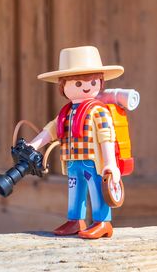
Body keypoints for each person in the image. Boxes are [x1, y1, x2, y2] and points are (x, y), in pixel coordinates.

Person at [28, 46, 123, 240]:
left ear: (100, 82)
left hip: (94, 162)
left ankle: (102, 221)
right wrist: (33, 145)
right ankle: (75, 220)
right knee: (75, 191)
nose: (86, 87)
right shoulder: (66, 113)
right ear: (63, 86)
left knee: (98, 190)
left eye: (93, 81)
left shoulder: (98, 111)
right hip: (73, 161)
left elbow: (107, 135)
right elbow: (50, 131)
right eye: (78, 83)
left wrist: (110, 162)